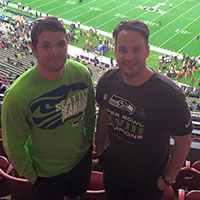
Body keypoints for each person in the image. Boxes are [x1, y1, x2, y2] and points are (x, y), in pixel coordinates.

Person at [95, 19, 192, 200]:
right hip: (113, 174)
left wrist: (167, 179)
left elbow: (184, 141)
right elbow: (103, 114)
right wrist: (100, 149)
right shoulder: (108, 80)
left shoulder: (169, 93)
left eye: (136, 49)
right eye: (123, 49)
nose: (129, 57)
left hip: (148, 183)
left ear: (147, 50)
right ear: (115, 50)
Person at [2, 16, 96, 200]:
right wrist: (32, 176)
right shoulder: (17, 95)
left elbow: (91, 113)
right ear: (33, 49)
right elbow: (13, 146)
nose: (55, 51)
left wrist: (87, 145)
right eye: (46, 45)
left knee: (75, 196)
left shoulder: (81, 73)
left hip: (80, 161)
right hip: (45, 174)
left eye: (61, 44)